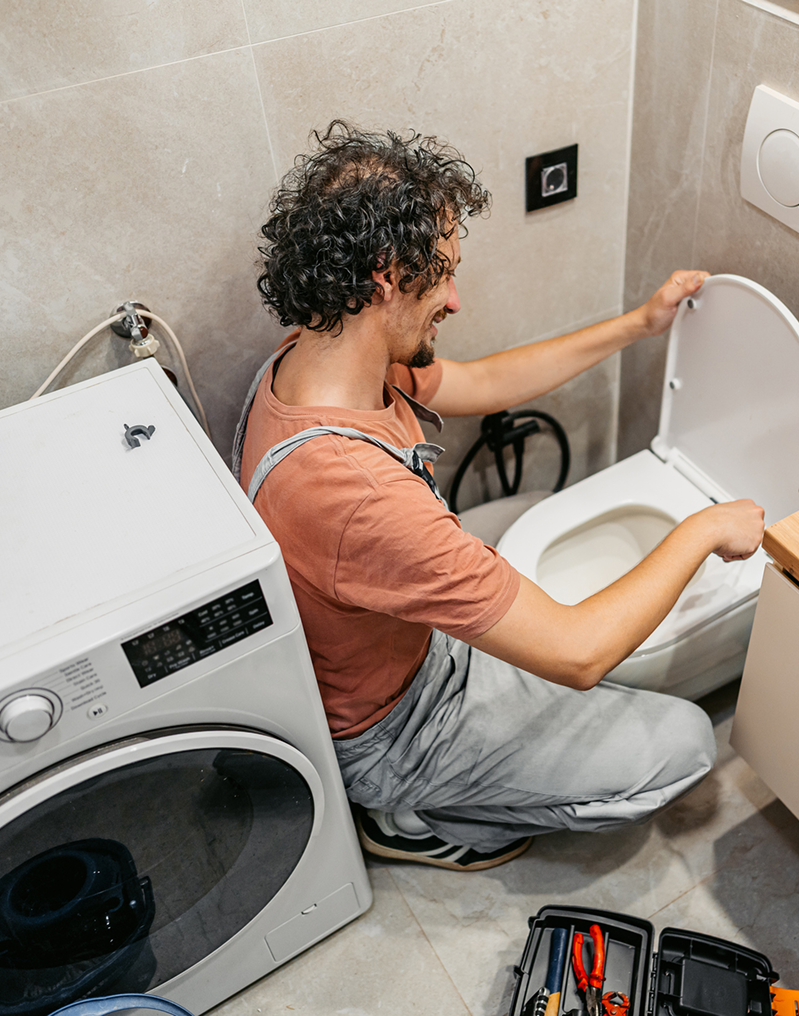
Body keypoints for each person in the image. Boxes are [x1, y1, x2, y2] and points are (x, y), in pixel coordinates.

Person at [234, 122, 766, 871]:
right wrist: (703, 530)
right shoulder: (353, 492)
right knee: (682, 745)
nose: (455, 298)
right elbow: (580, 655)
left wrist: (638, 325)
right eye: (443, 272)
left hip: (386, 650)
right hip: (395, 728)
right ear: (385, 275)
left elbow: (481, 381)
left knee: (524, 526)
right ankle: (416, 818)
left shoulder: (317, 356)